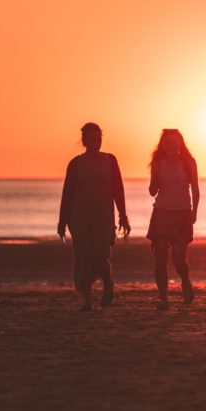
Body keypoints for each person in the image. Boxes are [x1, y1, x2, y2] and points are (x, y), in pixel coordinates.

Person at [58, 123, 130, 311]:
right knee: (83, 258)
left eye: (98, 139)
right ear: (84, 141)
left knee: (101, 256)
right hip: (80, 217)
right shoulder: (76, 164)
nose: (96, 142)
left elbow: (118, 189)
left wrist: (123, 215)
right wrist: (62, 221)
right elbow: (67, 194)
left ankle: (108, 283)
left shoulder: (110, 161)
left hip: (104, 217)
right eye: (92, 139)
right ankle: (87, 300)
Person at [147, 129, 199, 309]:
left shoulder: (188, 162)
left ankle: (185, 281)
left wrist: (194, 212)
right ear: (162, 145)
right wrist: (155, 177)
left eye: (174, 142)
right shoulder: (158, 163)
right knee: (160, 259)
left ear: (180, 144)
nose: (171, 145)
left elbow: (196, 190)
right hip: (161, 213)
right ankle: (163, 299)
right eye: (167, 142)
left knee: (178, 257)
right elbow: (152, 191)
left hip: (182, 213)